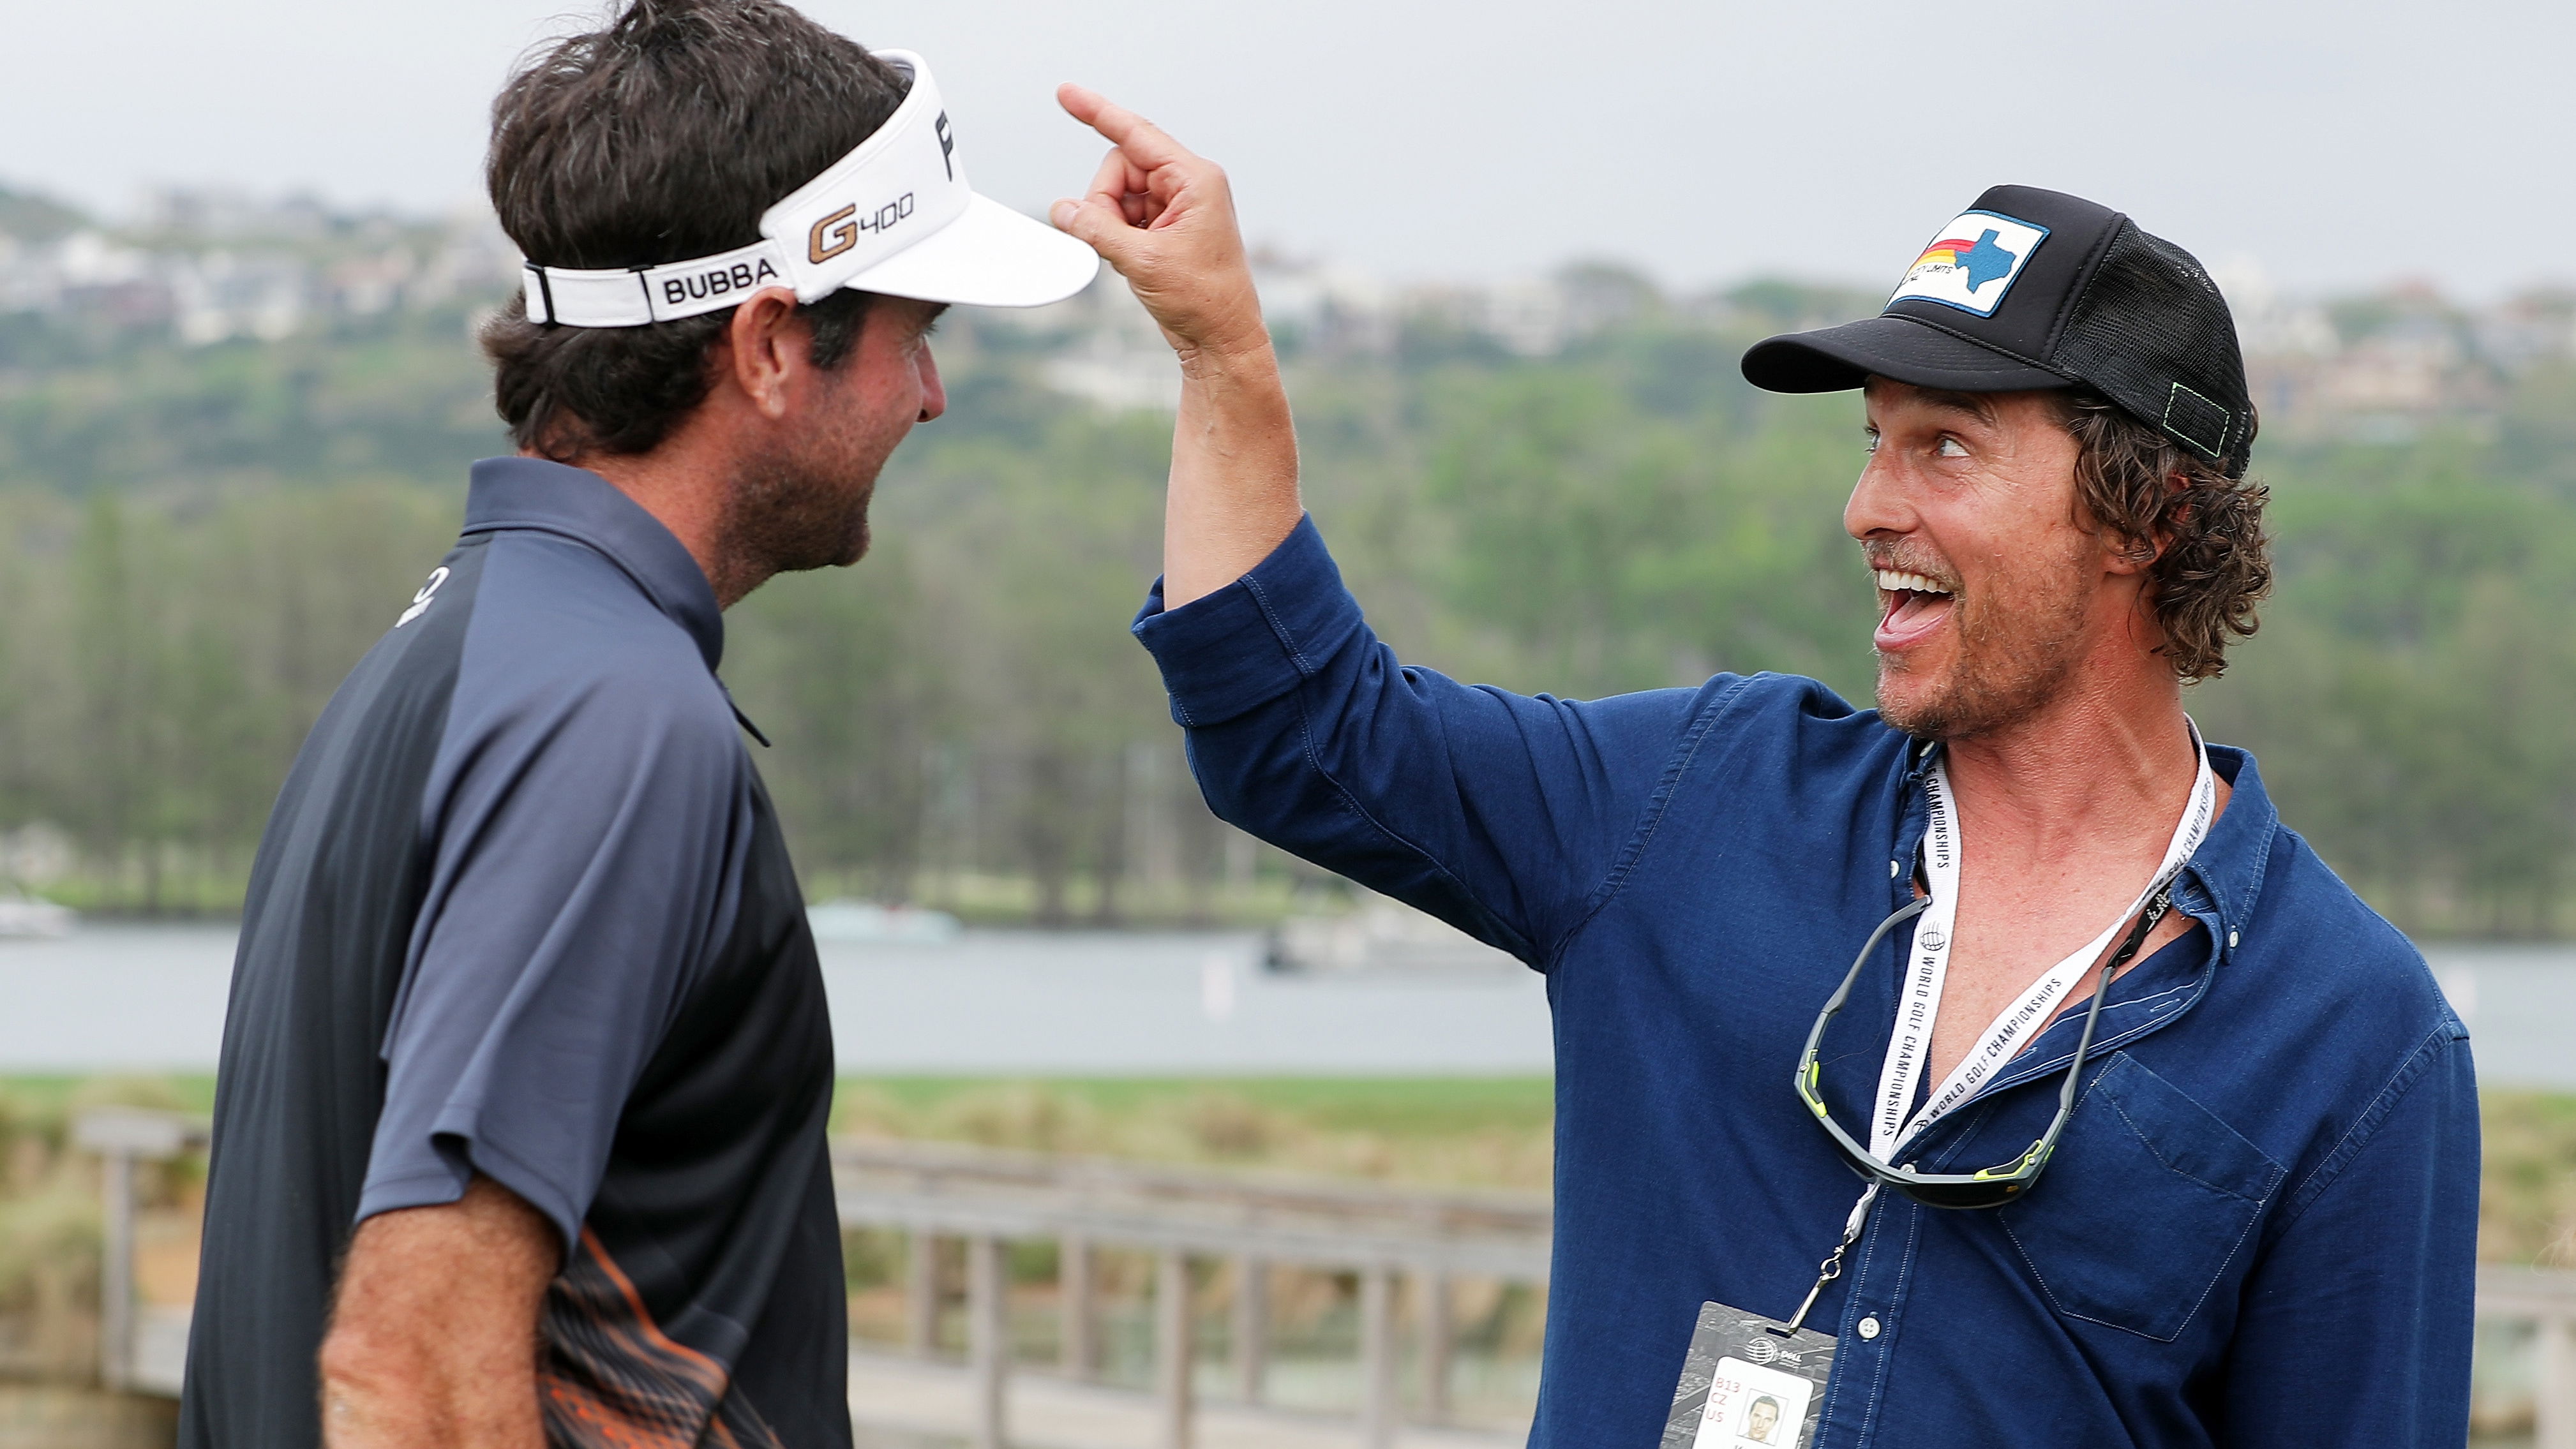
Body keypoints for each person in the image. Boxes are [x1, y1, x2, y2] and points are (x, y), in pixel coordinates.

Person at [1051, 95, 2477, 1446]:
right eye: (1871, 442)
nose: (1868, 506)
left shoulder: (2354, 1039)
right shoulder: (1693, 799)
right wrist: (1219, 354)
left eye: (1944, 448)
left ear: (2142, 516)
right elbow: (1298, 733)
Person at [177, 4, 1095, 1446]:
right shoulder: (613, 717)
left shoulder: (462, 652)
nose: (931, 395)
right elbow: (405, 1367)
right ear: (772, 344)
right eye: (914, 338)